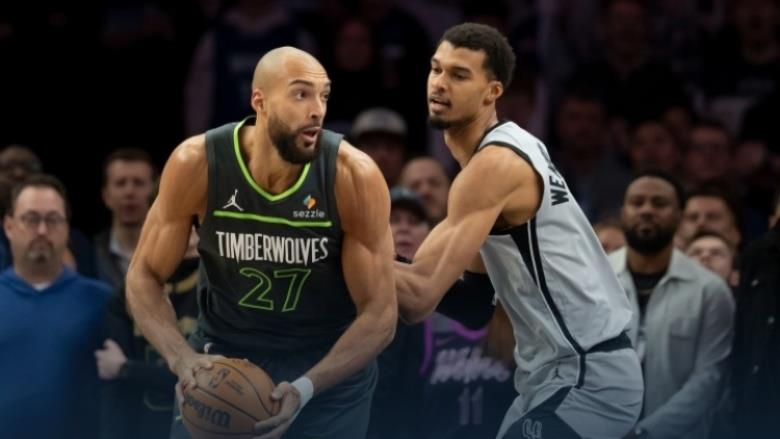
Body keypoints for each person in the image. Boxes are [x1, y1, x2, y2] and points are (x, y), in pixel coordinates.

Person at [125, 46, 397, 439]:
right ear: (260, 101)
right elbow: (143, 275)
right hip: (222, 356)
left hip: (325, 365)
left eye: (323, 96)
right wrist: (182, 360)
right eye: (301, 94)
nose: (317, 110)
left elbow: (380, 314)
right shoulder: (197, 163)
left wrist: (306, 387)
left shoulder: (352, 175)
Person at [395, 23, 643, 439]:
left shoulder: (494, 167)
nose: (439, 83)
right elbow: (474, 304)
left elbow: (417, 298)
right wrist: (378, 261)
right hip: (551, 378)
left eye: (459, 75)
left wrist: (339, 249)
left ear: (492, 92)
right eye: (436, 69)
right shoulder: (508, 151)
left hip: (587, 375)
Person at [608, 172, 735, 439]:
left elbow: (709, 378)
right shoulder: (594, 279)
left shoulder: (710, 290)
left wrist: (646, 433)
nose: (646, 210)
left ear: (680, 215)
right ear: (623, 212)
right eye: (637, 202)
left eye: (659, 203)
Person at [0, 174, 111, 439]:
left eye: (53, 219)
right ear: (9, 226)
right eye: (31, 219)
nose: (42, 230)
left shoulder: (101, 301)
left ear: (67, 227)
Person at [98, 227, 200, 439]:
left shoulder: (216, 296)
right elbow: (115, 388)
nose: (189, 237)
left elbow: (204, 383)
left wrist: (127, 368)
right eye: (183, 225)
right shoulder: (124, 297)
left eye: (196, 226)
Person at [94, 147, 157, 291]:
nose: (129, 192)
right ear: (106, 195)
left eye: (139, 183)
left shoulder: (172, 254)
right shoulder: (88, 255)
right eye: (120, 183)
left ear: (154, 193)